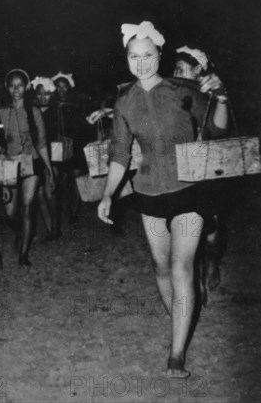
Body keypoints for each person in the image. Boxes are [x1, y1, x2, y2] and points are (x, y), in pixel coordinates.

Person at [97, 21, 229, 378]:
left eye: (148, 55)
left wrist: (222, 97)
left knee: (182, 267)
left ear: (160, 55)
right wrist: (108, 194)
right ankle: (182, 322)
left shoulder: (182, 89)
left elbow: (218, 129)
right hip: (149, 191)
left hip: (189, 188)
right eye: (133, 57)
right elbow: (120, 153)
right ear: (126, 59)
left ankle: (176, 354)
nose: (141, 63)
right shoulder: (124, 100)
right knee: (160, 267)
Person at [174, 46, 229, 296]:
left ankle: (212, 262)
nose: (176, 72)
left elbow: (219, 131)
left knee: (211, 233)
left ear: (198, 70)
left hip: (207, 170)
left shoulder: (208, 94)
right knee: (186, 230)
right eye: (174, 67)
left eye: (182, 67)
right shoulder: (171, 94)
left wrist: (221, 98)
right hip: (179, 171)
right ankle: (193, 280)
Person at [0, 69, 54, 266]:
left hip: (32, 164)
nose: (16, 89)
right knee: (9, 213)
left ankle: (23, 254)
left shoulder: (34, 111)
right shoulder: (0, 112)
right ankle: (20, 232)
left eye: (20, 85)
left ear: (26, 87)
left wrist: (49, 170)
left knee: (27, 206)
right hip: (9, 166)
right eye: (12, 85)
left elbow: (41, 144)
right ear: (7, 87)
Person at [52, 72, 95, 222]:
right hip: (59, 148)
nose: (61, 90)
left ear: (69, 88)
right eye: (58, 87)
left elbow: (86, 125)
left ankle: (74, 213)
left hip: (77, 146)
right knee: (63, 180)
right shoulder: (51, 105)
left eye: (64, 87)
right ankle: (67, 207)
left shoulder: (77, 104)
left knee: (77, 178)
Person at [32, 76, 62, 240]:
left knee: (49, 191)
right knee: (39, 194)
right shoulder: (32, 111)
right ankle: (50, 228)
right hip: (38, 157)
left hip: (54, 156)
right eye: (39, 94)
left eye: (46, 94)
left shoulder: (56, 110)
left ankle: (56, 227)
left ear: (52, 94)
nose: (43, 97)